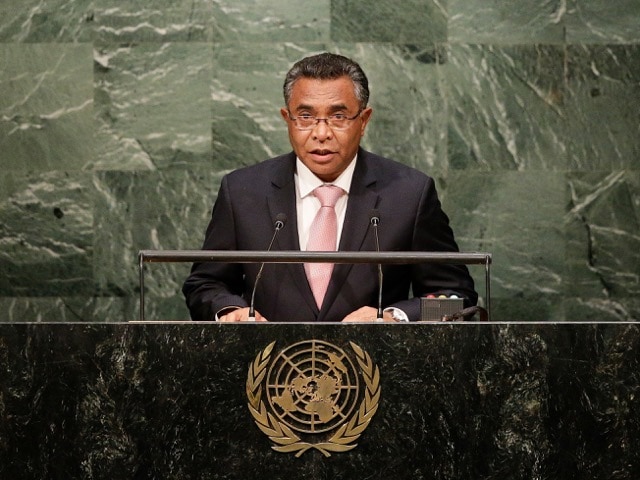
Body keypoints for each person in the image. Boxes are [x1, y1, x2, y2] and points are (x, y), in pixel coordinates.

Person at [182, 52, 477, 322]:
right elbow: (205, 284)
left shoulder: (409, 194)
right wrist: (229, 311)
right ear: (287, 119)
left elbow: (457, 299)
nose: (321, 133)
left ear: (363, 121)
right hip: (270, 371)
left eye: (338, 117)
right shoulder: (243, 191)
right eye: (306, 117)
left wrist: (394, 318)